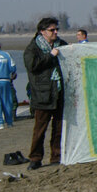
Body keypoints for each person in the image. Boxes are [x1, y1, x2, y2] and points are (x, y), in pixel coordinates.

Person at [24, 17, 68, 168]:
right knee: (40, 129)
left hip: (60, 92)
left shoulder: (62, 45)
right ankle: (35, 158)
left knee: (59, 128)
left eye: (56, 29)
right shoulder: (33, 48)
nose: (55, 32)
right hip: (42, 93)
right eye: (52, 30)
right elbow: (32, 66)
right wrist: (51, 56)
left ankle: (56, 156)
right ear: (42, 31)